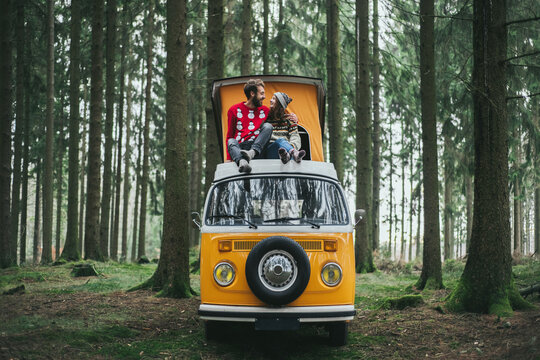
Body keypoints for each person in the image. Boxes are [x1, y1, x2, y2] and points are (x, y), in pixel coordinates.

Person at [226, 79, 273, 173]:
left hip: (258, 150)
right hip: (240, 149)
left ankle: (252, 153)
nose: (264, 97)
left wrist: (294, 118)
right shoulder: (234, 110)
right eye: (262, 93)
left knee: (268, 126)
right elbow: (230, 135)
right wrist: (228, 159)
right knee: (231, 140)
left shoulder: (266, 111)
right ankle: (242, 162)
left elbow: (279, 117)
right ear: (252, 93)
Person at [264, 92, 306, 164]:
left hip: (286, 151)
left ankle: (286, 155)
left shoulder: (289, 120)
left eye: (273, 99)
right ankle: (293, 153)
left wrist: (290, 146)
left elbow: (295, 137)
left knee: (283, 147)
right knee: (280, 141)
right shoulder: (265, 118)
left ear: (279, 103)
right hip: (269, 151)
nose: (270, 100)